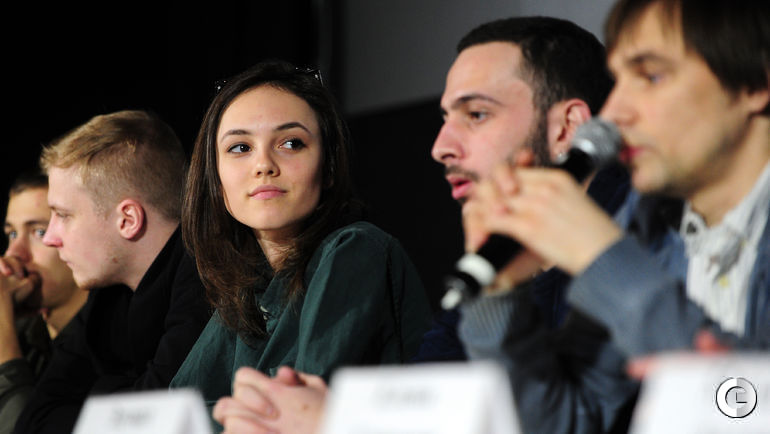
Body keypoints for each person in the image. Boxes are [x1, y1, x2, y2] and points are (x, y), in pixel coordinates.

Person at [211, 16, 630, 433]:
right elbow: (439, 396)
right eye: (239, 148)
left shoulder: (641, 245)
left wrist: (343, 423)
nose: (440, 147)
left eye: (477, 114)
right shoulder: (492, 271)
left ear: (567, 127)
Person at [460, 0, 770, 432]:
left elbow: (744, 410)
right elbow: (570, 421)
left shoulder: (624, 238)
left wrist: (605, 259)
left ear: (755, 82)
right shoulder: (647, 222)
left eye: (651, 76)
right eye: (619, 80)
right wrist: (498, 300)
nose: (613, 114)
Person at [168, 59, 432, 430]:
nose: (263, 165)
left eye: (291, 143)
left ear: (328, 166)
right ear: (215, 177)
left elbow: (293, 414)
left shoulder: (355, 249)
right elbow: (177, 413)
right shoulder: (249, 286)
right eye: (240, 147)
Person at [13, 110, 211, 434]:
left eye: (63, 215)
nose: (51, 237)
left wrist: (100, 393)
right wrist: (119, 400)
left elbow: (152, 425)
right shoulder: (109, 293)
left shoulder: (208, 282)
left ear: (128, 220)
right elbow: (33, 421)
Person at [0, 170, 88, 434]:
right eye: (12, 234)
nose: (14, 253)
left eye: (39, 231)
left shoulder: (111, 351)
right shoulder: (25, 333)